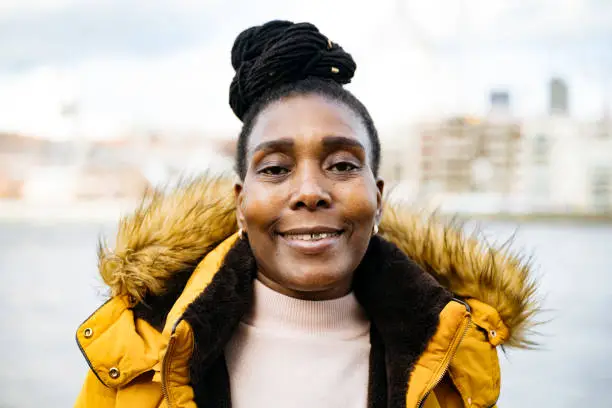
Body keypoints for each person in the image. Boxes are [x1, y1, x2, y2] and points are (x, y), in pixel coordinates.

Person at [74, 20, 540, 408]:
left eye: (341, 165)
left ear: (378, 197)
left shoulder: (456, 356)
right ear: (240, 203)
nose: (311, 192)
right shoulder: (138, 354)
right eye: (275, 168)